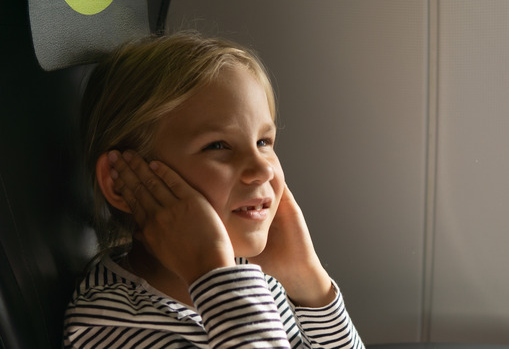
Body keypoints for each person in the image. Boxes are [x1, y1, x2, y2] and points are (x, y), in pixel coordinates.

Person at [63, 33, 365, 349]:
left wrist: (308, 283)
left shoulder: (257, 276)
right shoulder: (110, 325)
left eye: (263, 142)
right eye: (218, 146)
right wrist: (214, 275)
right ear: (119, 183)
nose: (264, 170)